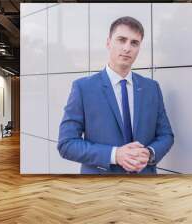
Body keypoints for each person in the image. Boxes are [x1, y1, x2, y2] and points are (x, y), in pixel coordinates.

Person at [57, 16, 174, 174]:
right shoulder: (83, 88)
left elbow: (166, 135)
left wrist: (150, 153)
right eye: (121, 40)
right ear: (108, 43)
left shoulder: (151, 88)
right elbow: (67, 144)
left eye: (134, 43)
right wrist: (115, 155)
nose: (127, 48)